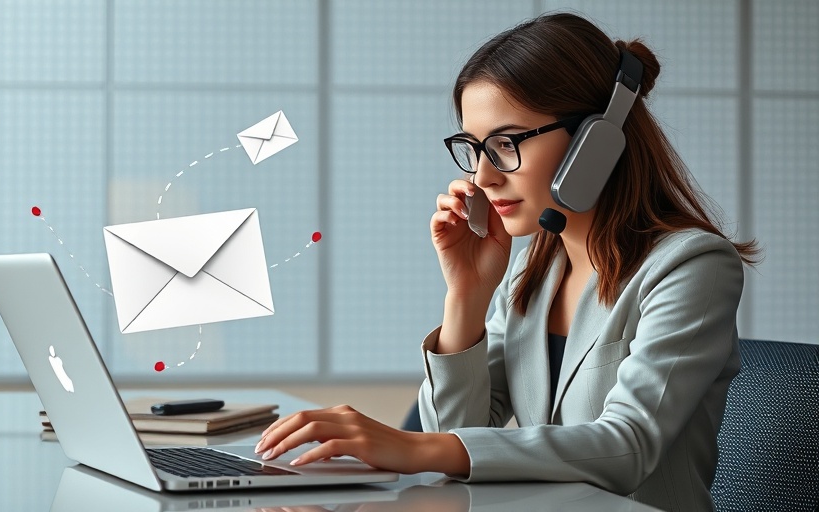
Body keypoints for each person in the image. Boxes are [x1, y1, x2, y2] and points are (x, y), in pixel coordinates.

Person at [254, 12, 759, 511]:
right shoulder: (531, 271)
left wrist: (406, 446)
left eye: (505, 144)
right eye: (474, 149)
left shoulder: (692, 266)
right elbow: (457, 438)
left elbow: (627, 446)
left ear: (595, 141)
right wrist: (466, 297)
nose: (482, 177)